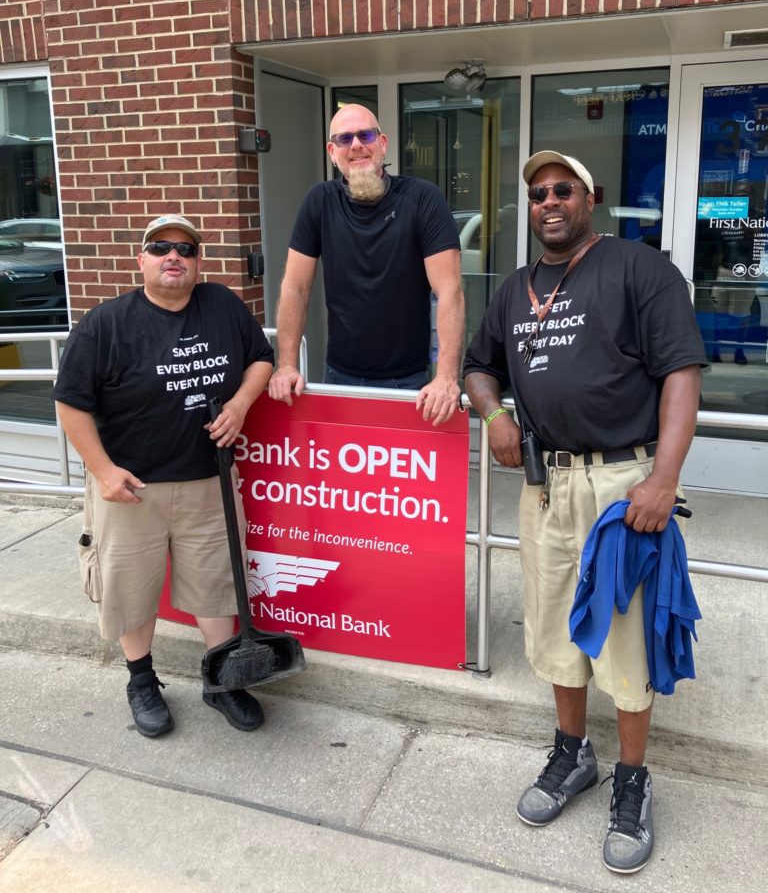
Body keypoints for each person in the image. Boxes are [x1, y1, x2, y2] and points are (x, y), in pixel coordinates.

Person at [463, 151, 707, 874]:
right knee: (553, 627)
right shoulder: (512, 290)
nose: (549, 202)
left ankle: (632, 780)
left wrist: (664, 478)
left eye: (562, 189)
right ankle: (574, 757)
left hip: (622, 486)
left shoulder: (639, 270)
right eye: (537, 193)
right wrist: (493, 414)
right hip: (546, 488)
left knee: (626, 636)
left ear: (589, 198)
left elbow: (681, 374)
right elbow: (479, 366)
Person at [53, 214, 275, 739]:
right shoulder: (105, 324)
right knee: (130, 589)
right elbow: (70, 404)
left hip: (208, 481)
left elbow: (262, 359)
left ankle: (222, 680)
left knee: (217, 585)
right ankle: (142, 682)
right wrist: (103, 472)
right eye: (160, 247)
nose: (173, 256)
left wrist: (242, 403)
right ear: (142, 261)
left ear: (198, 264)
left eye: (185, 249)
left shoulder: (222, 305)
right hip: (131, 489)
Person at [268, 104, 465, 425]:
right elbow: (295, 287)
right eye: (344, 139)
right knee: (343, 474)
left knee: (404, 475)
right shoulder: (319, 202)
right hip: (339, 378)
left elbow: (449, 292)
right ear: (332, 152)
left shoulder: (422, 198)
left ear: (383, 143)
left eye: (366, 134)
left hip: (411, 384)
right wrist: (287, 365)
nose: (356, 144)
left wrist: (445, 377)